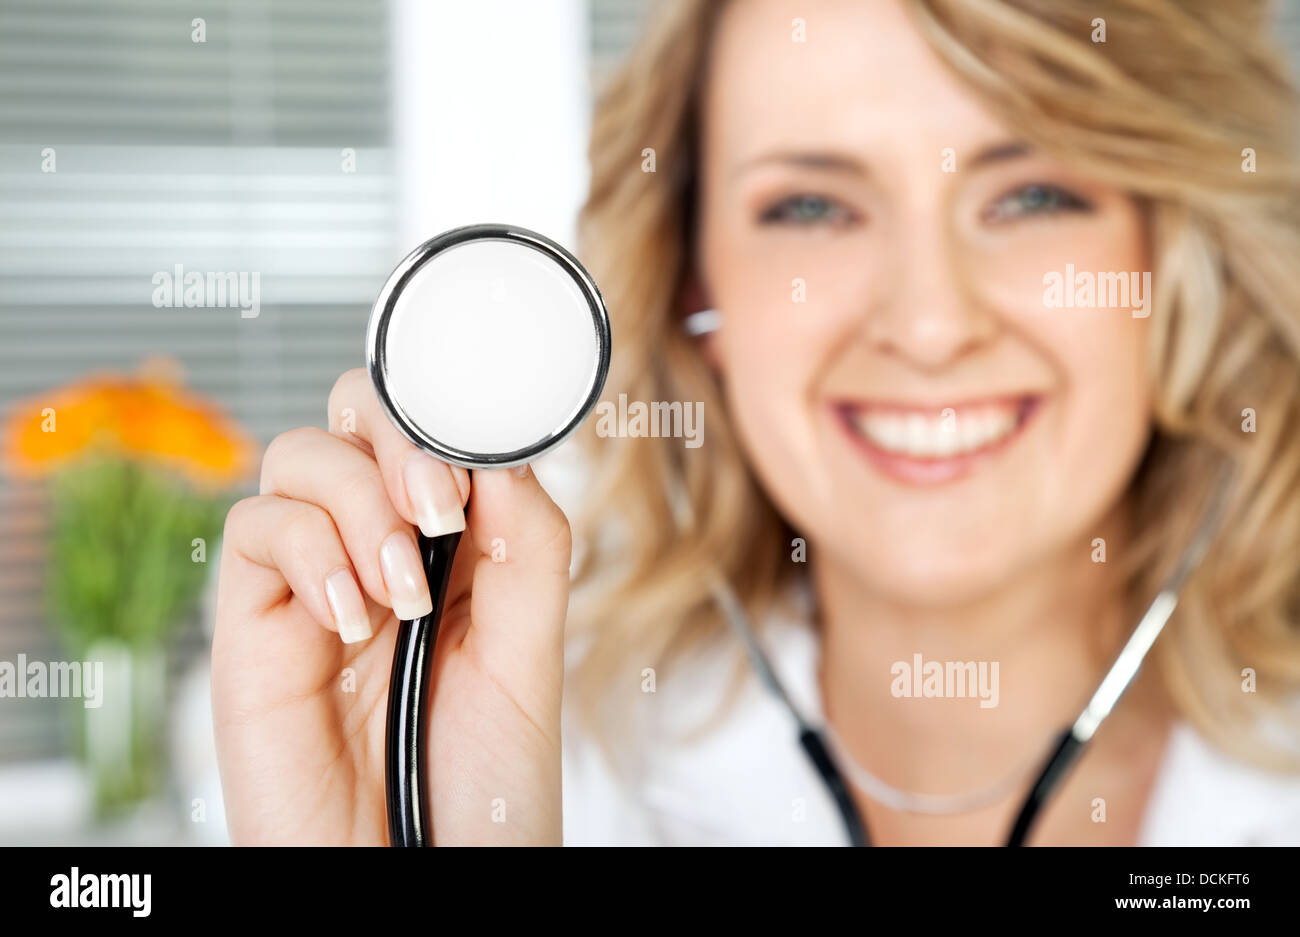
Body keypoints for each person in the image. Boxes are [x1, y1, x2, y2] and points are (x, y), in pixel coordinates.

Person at [211, 0, 1300, 846]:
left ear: (1175, 259)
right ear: (695, 287)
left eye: (1032, 197)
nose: (927, 325)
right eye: (812, 208)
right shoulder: (533, 754)